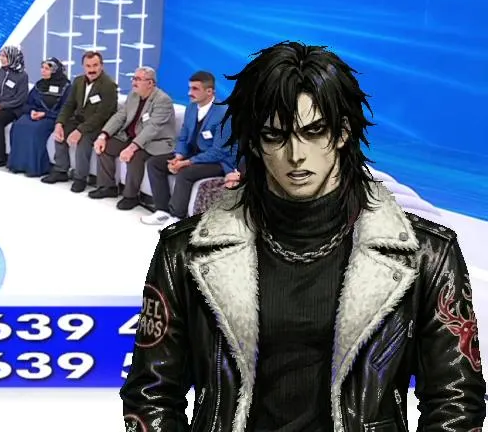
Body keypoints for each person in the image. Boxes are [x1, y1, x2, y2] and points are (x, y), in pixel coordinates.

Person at [121, 41, 485, 431]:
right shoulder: (184, 253)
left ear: (343, 132)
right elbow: (151, 394)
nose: (296, 154)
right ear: (255, 142)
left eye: (314, 131)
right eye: (275, 136)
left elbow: (455, 400)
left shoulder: (426, 255)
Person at [142, 70, 236, 226]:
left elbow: (218, 151)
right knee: (155, 163)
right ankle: (162, 211)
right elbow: (183, 137)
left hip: (219, 161)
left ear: (209, 91)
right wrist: (178, 156)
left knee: (185, 172)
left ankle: (177, 217)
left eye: (195, 89)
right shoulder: (191, 108)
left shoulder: (224, 113)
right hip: (193, 155)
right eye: (190, 88)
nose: (189, 93)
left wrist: (186, 163)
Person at [90, 66, 175, 211]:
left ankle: (131, 196)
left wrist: (131, 148)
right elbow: (120, 116)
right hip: (131, 137)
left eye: (138, 79)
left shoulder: (163, 100)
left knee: (135, 156)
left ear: (150, 83)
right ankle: (108, 187)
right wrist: (103, 135)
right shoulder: (133, 95)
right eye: (133, 78)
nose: (133, 82)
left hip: (154, 142)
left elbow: (152, 129)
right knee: (105, 147)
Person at [41, 50, 118, 192]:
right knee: (60, 134)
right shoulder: (78, 81)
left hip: (98, 125)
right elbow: (69, 105)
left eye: (95, 65)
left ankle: (80, 178)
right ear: (83, 66)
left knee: (83, 141)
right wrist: (59, 123)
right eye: (88, 66)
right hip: (79, 120)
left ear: (101, 66)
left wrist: (80, 131)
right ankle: (61, 170)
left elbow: (102, 114)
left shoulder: (109, 85)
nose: (92, 69)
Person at [7, 57, 70, 177]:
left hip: (52, 117)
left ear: (55, 71)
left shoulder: (66, 87)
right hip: (35, 114)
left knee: (35, 130)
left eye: (47, 69)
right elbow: (27, 103)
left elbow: (65, 109)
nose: (43, 71)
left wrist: (45, 114)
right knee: (18, 125)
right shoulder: (39, 85)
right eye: (42, 68)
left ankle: (35, 168)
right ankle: (18, 165)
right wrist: (32, 111)